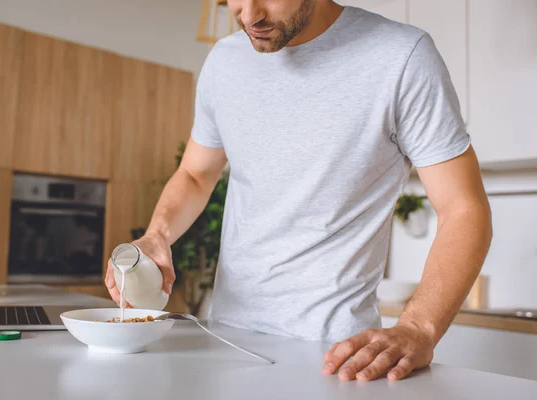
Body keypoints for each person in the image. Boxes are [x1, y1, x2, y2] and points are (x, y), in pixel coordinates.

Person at [105, 0, 492, 382]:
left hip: (336, 357)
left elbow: (463, 208)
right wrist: (158, 234)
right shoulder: (224, 62)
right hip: (226, 340)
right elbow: (194, 174)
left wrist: (419, 327)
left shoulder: (401, 57)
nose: (249, 15)